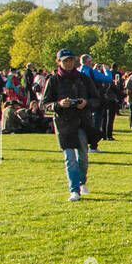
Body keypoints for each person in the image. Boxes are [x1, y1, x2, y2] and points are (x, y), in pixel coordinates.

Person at [40, 49, 101, 202]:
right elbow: (44, 104)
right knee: (69, 157)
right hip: (64, 123)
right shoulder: (53, 80)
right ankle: (74, 189)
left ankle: (82, 181)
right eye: (65, 61)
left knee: (83, 156)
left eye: (70, 60)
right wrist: (59, 105)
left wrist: (86, 103)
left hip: (82, 122)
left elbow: (97, 99)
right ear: (58, 62)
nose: (68, 63)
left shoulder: (84, 78)